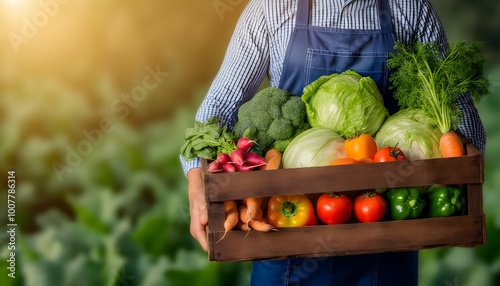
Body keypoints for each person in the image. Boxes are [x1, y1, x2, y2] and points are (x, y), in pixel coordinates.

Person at [180, 0, 486, 285]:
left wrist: (446, 156)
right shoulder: (273, 7)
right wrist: (197, 184)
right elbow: (217, 109)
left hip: (387, 230)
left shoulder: (408, 8)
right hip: (283, 231)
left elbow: (463, 121)